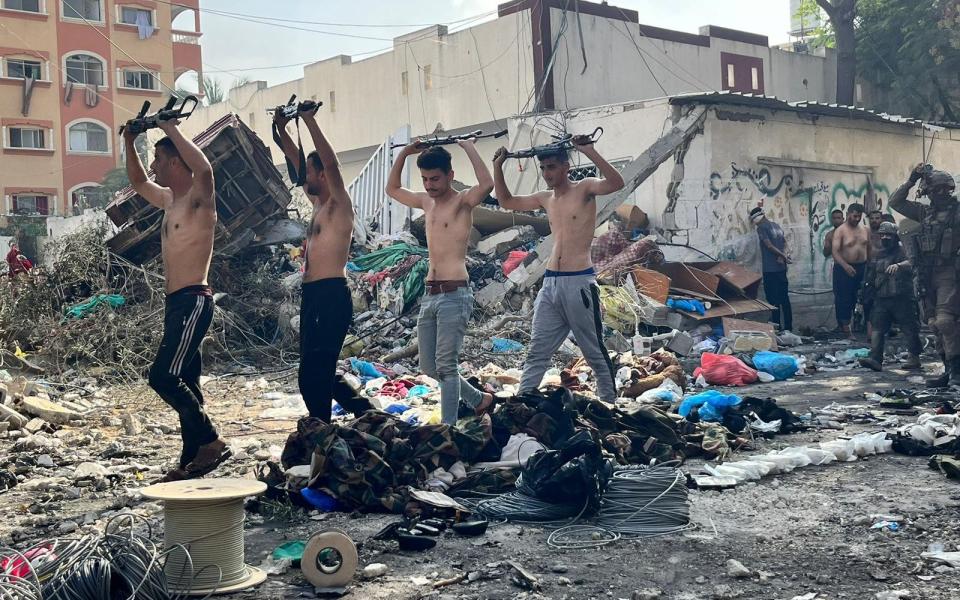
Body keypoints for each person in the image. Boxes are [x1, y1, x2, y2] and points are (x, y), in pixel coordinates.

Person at [124, 118, 229, 482]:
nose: (152, 167)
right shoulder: (169, 200)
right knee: (187, 379)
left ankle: (211, 440)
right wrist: (129, 140)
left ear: (172, 162)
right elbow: (138, 182)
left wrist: (171, 129)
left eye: (157, 160)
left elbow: (204, 167)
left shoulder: (200, 201)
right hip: (176, 304)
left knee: (163, 377)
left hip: (194, 300)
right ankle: (191, 460)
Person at [492, 136, 625, 402]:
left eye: (551, 167)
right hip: (550, 283)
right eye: (543, 168)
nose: (547, 174)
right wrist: (498, 165)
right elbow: (506, 201)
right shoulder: (545, 198)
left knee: (593, 351)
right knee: (537, 349)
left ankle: (609, 405)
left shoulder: (585, 188)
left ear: (566, 167)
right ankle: (524, 400)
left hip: (579, 283)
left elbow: (616, 183)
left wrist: (589, 151)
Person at [274, 104, 374, 423]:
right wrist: (281, 127)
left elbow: (330, 162)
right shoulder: (317, 203)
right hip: (313, 296)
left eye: (310, 172)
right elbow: (296, 159)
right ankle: (367, 414)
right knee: (318, 372)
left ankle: (322, 429)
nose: (304, 177)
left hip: (332, 294)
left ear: (321, 175)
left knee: (313, 375)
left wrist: (309, 120)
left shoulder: (338, 205)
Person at [385, 140, 495, 425]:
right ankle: (479, 399)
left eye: (435, 178)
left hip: (455, 293)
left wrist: (469, 146)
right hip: (430, 294)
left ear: (450, 175)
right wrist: (405, 153)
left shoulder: (462, 202)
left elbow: (486, 184)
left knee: (447, 366)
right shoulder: (426, 202)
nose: (430, 185)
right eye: (425, 179)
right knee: (429, 367)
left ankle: (448, 429)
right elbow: (392, 189)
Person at [889, 165, 960, 387]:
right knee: (933, 324)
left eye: (944, 190)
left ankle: (957, 372)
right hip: (926, 274)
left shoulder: (957, 213)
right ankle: (948, 369)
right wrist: (911, 180)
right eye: (935, 190)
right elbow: (895, 202)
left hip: (949, 272)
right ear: (928, 192)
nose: (940, 194)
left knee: (946, 321)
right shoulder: (923, 212)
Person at [857, 222, 921, 371]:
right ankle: (875, 359)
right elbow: (870, 275)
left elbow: (913, 262)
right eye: (882, 235)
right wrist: (864, 293)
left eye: (888, 235)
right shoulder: (876, 254)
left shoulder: (902, 251)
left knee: (909, 328)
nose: (885, 237)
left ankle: (914, 358)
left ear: (895, 236)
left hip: (902, 298)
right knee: (877, 328)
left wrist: (899, 266)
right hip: (882, 298)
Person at [749, 207, 793, 332]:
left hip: (770, 270)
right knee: (784, 299)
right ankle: (789, 327)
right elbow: (785, 243)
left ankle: (777, 328)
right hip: (781, 269)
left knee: (773, 301)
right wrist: (783, 255)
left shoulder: (762, 228)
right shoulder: (776, 226)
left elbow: (768, 245)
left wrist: (782, 256)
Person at [831, 203, 871, 336]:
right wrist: (845, 266)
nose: (857, 219)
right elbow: (835, 252)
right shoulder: (841, 230)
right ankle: (846, 330)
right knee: (844, 299)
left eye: (859, 216)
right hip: (844, 268)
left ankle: (867, 328)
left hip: (862, 267)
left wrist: (870, 266)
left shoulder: (865, 229)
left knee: (864, 297)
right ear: (848, 214)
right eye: (854, 216)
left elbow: (869, 249)